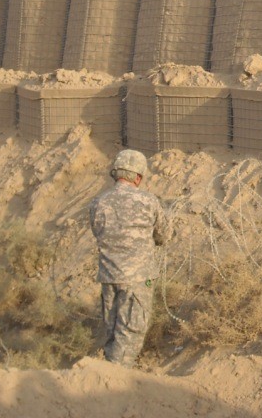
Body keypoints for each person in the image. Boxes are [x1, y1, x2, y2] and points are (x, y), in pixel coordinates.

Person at [89, 149, 171, 366]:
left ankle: (106, 373)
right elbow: (163, 235)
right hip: (138, 279)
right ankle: (114, 382)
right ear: (138, 176)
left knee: (113, 333)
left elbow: (98, 232)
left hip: (109, 277)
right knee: (130, 334)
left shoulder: (99, 202)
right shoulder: (148, 201)